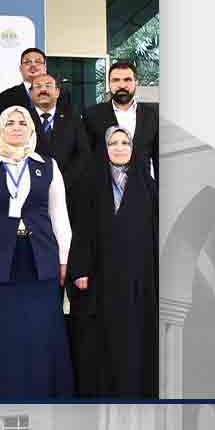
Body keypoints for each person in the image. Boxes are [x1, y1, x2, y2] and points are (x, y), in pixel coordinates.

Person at [0, 105, 74, 398]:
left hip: (39, 260)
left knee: (39, 329)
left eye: (23, 122)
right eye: (10, 122)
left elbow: (60, 217)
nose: (17, 127)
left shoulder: (49, 166)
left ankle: (42, 394)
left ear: (31, 129)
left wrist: (64, 259)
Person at [68, 126, 158, 398]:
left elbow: (155, 232)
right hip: (101, 276)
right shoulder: (89, 182)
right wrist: (80, 268)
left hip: (138, 276)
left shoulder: (147, 184)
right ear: (104, 148)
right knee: (100, 338)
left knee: (134, 337)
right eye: (113, 143)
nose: (119, 148)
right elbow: (80, 228)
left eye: (124, 143)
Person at [82, 61, 159, 179]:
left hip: (143, 187)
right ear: (109, 83)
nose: (121, 85)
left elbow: (158, 159)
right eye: (116, 80)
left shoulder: (152, 116)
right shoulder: (92, 115)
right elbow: (85, 159)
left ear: (136, 83)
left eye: (127, 80)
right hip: (103, 187)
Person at [30, 72, 91, 188]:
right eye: (38, 86)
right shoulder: (23, 119)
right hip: (32, 188)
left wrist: (62, 182)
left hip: (68, 188)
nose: (43, 90)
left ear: (57, 92)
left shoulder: (73, 119)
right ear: (31, 93)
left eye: (48, 86)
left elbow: (83, 153)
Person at [0, 47, 70, 117]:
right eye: (27, 62)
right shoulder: (5, 97)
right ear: (20, 68)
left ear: (45, 68)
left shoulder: (62, 95)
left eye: (38, 62)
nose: (33, 65)